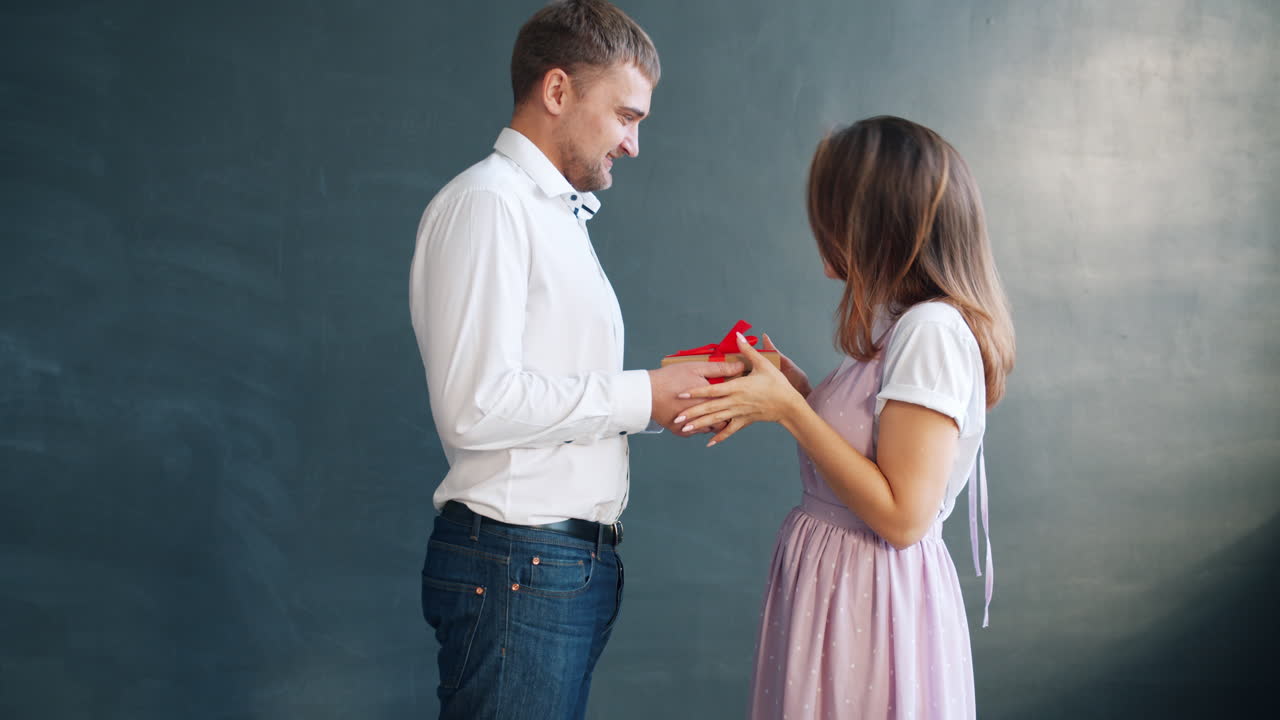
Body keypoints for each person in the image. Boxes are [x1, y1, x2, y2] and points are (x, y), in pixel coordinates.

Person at [407, 2, 741, 718]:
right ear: (556, 91)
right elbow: (475, 406)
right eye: (627, 117)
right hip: (518, 566)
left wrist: (665, 403)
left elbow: (546, 388)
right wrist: (640, 395)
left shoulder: (550, 215)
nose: (633, 145)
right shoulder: (491, 207)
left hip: (547, 569)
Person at [674, 116, 1016, 718]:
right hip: (841, 589)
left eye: (831, 217)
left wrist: (789, 412)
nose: (820, 233)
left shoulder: (931, 332)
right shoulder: (903, 326)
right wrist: (795, 391)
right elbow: (869, 454)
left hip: (870, 599)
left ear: (876, 226)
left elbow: (903, 518)